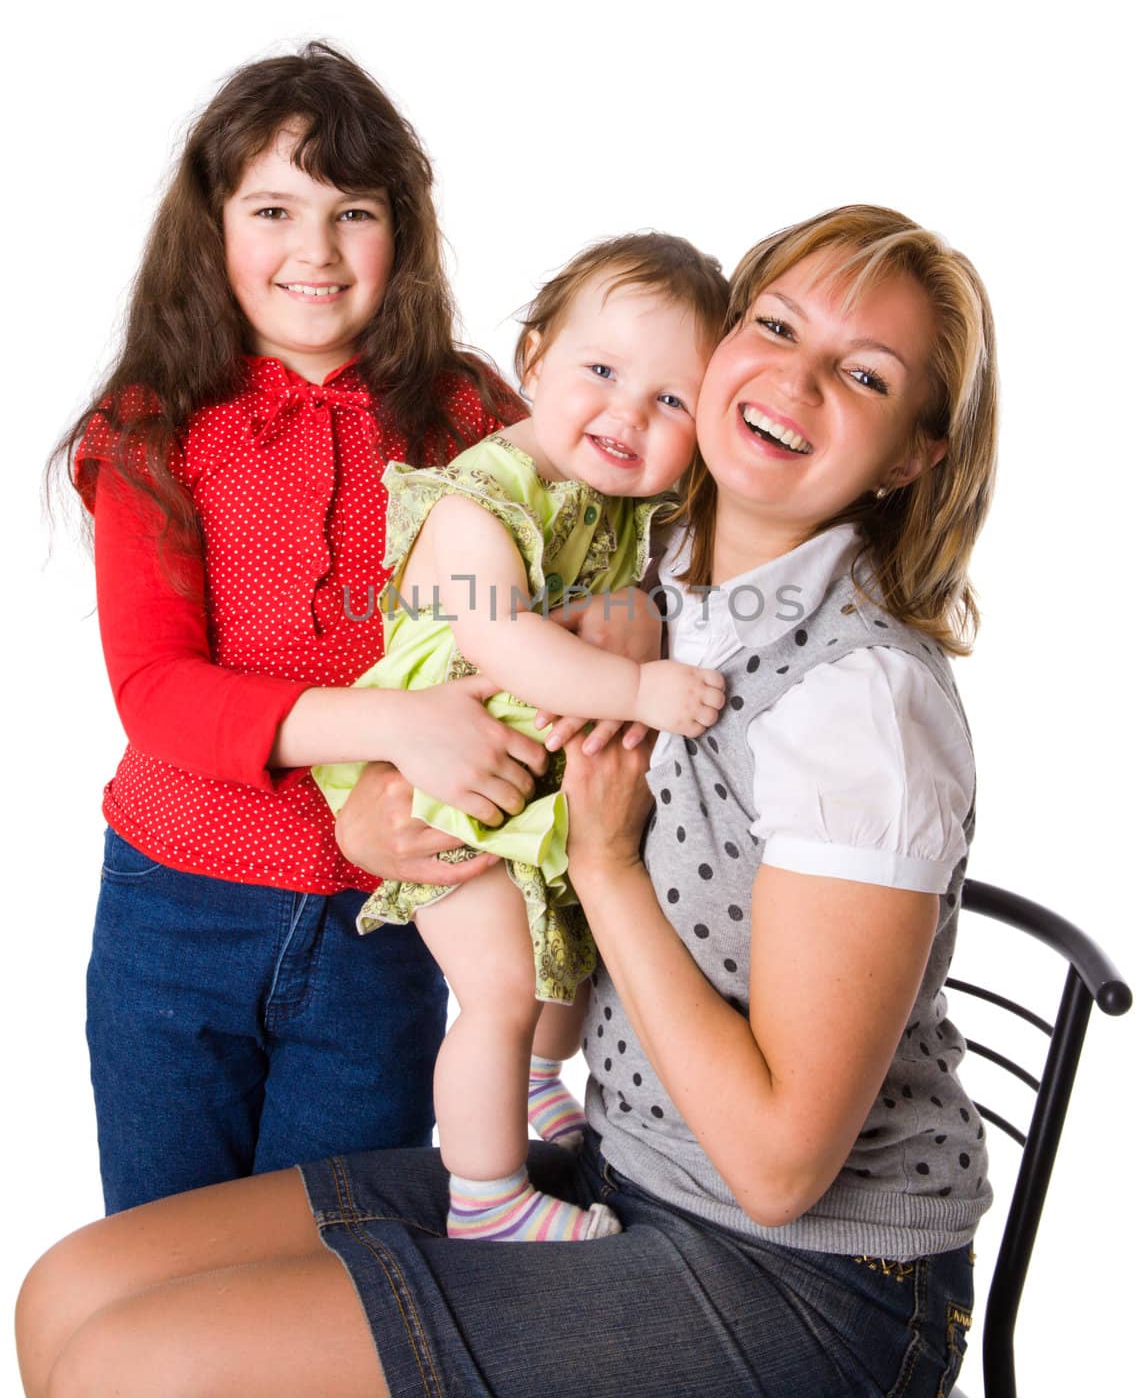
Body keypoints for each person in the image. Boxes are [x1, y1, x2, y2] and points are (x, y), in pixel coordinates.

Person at [19, 203, 998, 1397]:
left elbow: (782, 1171)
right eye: (776, 325)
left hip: (806, 1274)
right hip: (631, 1169)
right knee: (69, 1292)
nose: (795, 379)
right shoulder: (633, 570)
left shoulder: (864, 708)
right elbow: (469, 697)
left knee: (140, 1366)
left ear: (911, 453)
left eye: (862, 372)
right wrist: (375, 814)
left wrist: (605, 865)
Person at [50, 41, 551, 1215]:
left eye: (353, 212)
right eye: (274, 209)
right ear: (212, 225)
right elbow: (159, 692)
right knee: (163, 1264)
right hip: (174, 914)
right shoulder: (154, 423)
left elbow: (565, 590)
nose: (314, 252)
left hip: (386, 923)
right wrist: (397, 725)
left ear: (404, 234)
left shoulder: (466, 415)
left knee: (334, 1268)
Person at [313, 233, 729, 1243]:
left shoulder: (624, 507)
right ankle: (486, 1195)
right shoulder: (479, 496)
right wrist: (639, 683)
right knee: (497, 988)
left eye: (672, 400)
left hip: (523, 782)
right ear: (533, 357)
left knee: (563, 958)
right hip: (442, 783)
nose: (629, 412)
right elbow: (502, 637)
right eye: (602, 371)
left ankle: (540, 1083)